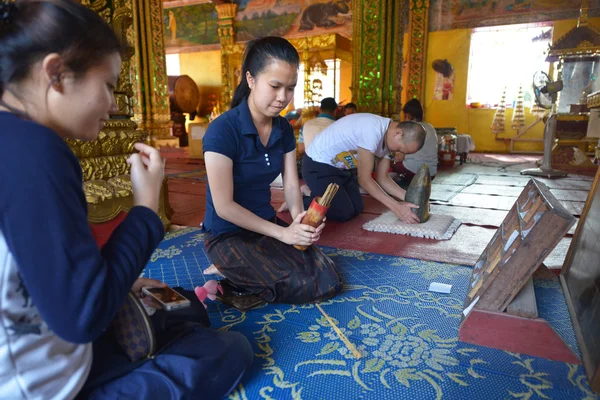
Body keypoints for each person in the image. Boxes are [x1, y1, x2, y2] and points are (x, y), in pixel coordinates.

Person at [0, 1, 252, 399]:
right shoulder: (35, 152)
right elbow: (83, 317)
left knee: (178, 309)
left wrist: (121, 281)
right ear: (56, 73)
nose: (114, 105)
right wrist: (146, 209)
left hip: (33, 337)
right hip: (38, 385)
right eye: (107, 86)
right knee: (226, 349)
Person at [201, 36, 342, 304]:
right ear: (251, 79)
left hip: (265, 227)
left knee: (326, 275)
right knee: (302, 283)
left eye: (290, 88)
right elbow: (223, 206)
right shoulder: (223, 131)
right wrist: (283, 234)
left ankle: (243, 278)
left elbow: (291, 185)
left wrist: (301, 222)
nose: (283, 98)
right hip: (227, 235)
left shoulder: (284, 129)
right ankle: (227, 279)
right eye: (275, 86)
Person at [302, 113, 427, 223]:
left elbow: (382, 178)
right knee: (343, 213)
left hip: (342, 170)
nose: (399, 154)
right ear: (398, 134)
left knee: (357, 207)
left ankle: (317, 192)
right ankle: (302, 200)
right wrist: (396, 207)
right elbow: (364, 180)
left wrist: (414, 201)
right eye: (400, 149)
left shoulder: (389, 139)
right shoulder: (372, 130)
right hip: (318, 165)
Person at [392, 99, 438, 188]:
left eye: (405, 115)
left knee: (388, 161)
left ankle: (394, 182)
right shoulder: (430, 127)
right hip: (431, 173)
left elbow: (399, 157)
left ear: (408, 115)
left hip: (414, 171)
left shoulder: (410, 128)